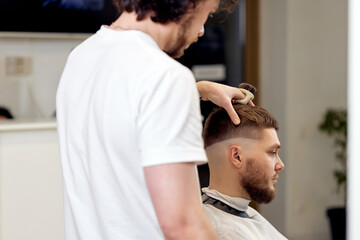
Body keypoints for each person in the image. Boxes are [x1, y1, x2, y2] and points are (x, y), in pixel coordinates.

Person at [56, 0, 252, 239]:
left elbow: (123, 107)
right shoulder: (166, 77)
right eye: (206, 14)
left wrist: (195, 90)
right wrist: (180, 90)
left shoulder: (81, 57)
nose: (201, 31)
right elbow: (182, 224)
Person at [202, 104, 287, 239]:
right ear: (237, 156)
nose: (280, 165)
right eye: (272, 152)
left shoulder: (245, 213)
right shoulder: (222, 232)